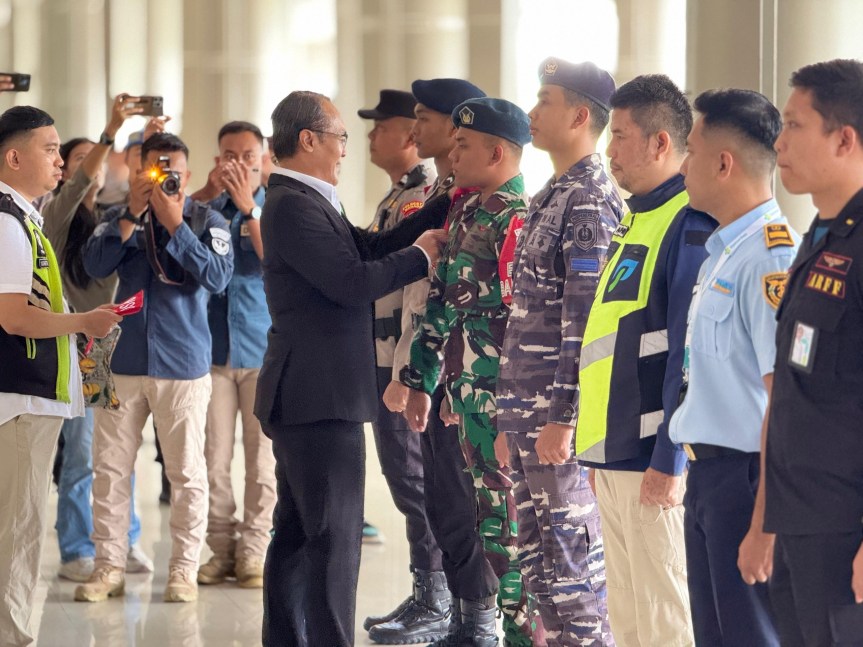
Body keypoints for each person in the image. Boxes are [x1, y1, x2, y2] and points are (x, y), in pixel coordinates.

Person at [256, 90, 450, 647]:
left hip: (309, 393)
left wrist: (436, 210)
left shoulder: (306, 198)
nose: (345, 148)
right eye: (339, 136)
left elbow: (364, 248)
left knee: (298, 534)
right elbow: (349, 282)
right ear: (308, 139)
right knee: (333, 540)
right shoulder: (293, 204)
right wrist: (422, 257)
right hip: (317, 396)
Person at [574, 74, 716, 647]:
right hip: (616, 454)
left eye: (621, 135)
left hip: (652, 460)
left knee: (664, 619)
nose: (608, 149)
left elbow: (688, 352)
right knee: (629, 619)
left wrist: (670, 459)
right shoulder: (638, 216)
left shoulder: (687, 222)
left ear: (660, 143)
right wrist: (597, 447)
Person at [76, 132, 234, 604]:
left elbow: (218, 277)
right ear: (137, 171)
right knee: (108, 469)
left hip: (183, 365)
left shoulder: (209, 220)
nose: (164, 178)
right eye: (153, 170)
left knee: (186, 474)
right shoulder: (117, 218)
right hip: (118, 361)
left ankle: (183, 570)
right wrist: (131, 214)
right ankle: (108, 567)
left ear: (187, 175)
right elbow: (93, 265)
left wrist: (175, 226)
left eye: (173, 172)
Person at [495, 58, 621, 647]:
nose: (531, 112)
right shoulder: (553, 194)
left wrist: (563, 418)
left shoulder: (589, 199)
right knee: (540, 570)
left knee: (573, 576)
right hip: (527, 414)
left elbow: (583, 322)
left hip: (554, 419)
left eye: (545, 101)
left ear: (578, 116)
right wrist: (509, 418)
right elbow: (526, 316)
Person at [403, 96, 536, 647]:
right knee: (487, 522)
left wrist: (510, 415)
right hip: (466, 396)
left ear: (497, 152)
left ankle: (524, 636)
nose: (452, 155)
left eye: (463, 145)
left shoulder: (517, 220)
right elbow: (441, 304)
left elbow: (524, 328)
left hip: (500, 404)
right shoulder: (465, 212)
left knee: (508, 530)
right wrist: (421, 381)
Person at [377, 77, 500, 647]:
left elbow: (459, 304)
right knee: (437, 499)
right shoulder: (447, 197)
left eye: (424, 118)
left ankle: (472, 618)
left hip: (459, 382)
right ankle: (453, 612)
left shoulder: (489, 206)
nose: (414, 129)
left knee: (458, 501)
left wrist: (422, 378)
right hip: (426, 370)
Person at [669, 88, 794, 646]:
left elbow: (784, 400)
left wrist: (765, 521)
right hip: (709, 479)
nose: (682, 166)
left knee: (750, 635)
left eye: (691, 152)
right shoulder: (725, 251)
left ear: (723, 163)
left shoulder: (771, 257)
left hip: (747, 481)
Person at [0, 105, 121, 646]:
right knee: (18, 533)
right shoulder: (7, 223)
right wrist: (83, 321)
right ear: (13, 157)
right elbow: (14, 316)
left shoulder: (24, 215)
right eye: (49, 149)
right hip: (20, 398)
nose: (58, 160)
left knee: (20, 528)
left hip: (31, 398)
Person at [764, 58, 863, 647]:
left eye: (795, 125)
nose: (779, 142)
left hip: (844, 527)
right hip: (799, 521)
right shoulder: (821, 236)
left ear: (844, 139)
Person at [40, 94, 152, 583]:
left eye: (100, 159)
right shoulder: (56, 214)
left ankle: (122, 539)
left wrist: (149, 146)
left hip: (113, 349)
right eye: (83, 160)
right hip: (75, 347)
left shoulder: (113, 218)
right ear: (68, 171)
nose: (96, 167)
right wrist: (110, 131)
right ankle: (76, 549)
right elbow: (80, 182)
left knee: (119, 453)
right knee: (82, 455)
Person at [355, 89, 453, 644]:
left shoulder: (423, 197)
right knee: (404, 480)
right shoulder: (403, 194)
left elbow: (417, 292)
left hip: (403, 359)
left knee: (415, 481)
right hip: (386, 355)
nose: (372, 136)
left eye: (383, 126)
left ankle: (437, 597)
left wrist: (404, 373)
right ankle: (428, 590)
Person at [188, 121, 276, 590]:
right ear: (218, 159)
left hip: (263, 353)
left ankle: (254, 553)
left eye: (247, 155)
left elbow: (275, 263)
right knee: (214, 459)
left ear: (263, 159)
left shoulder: (275, 206)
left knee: (262, 463)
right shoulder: (206, 211)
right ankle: (220, 550)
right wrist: (205, 193)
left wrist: (248, 209)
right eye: (229, 155)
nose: (238, 163)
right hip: (215, 354)